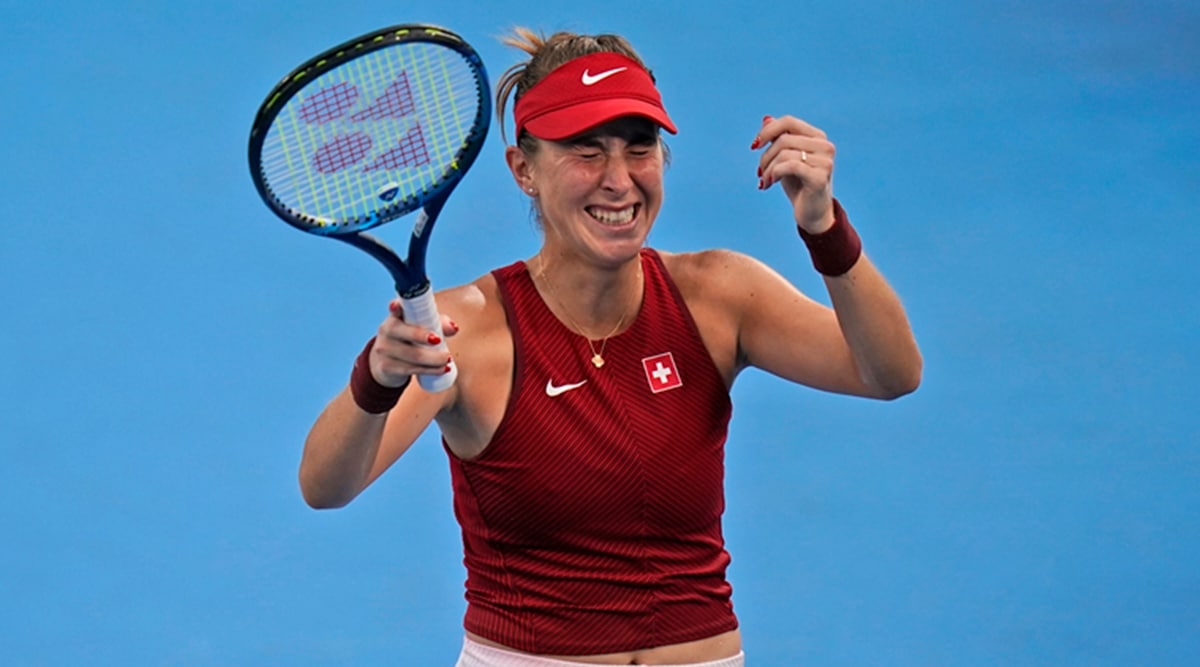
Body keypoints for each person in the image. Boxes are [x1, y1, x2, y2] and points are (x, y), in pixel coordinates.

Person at [299, 27, 922, 667]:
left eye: (639, 147)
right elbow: (326, 486)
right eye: (586, 151)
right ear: (524, 171)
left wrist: (823, 227)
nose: (619, 180)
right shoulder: (470, 330)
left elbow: (891, 373)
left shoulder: (718, 296)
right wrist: (377, 378)